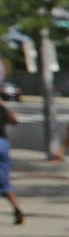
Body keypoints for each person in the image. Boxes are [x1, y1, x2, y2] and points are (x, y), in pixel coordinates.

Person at [0, 96, 22, 225]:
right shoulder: (2, 108)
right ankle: (17, 208)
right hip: (3, 144)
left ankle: (17, 209)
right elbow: (14, 121)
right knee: (4, 183)